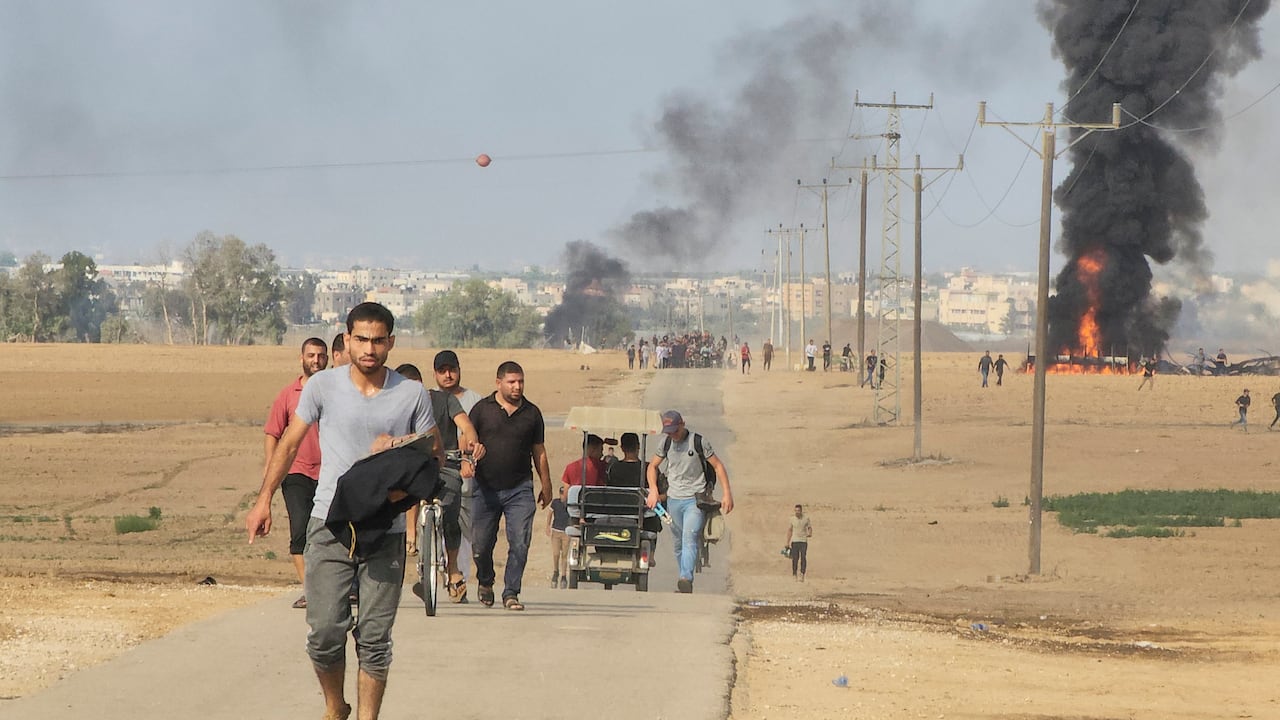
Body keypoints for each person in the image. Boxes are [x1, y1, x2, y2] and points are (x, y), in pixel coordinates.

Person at [246, 302, 441, 720]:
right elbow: (290, 442)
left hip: (384, 530)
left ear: (391, 342)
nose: (370, 349)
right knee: (325, 634)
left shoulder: (411, 394)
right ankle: (336, 708)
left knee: (374, 637)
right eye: (362, 339)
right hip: (330, 524)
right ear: (347, 340)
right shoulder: (323, 387)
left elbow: (433, 456)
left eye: (378, 340)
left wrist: (398, 450)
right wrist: (263, 500)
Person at [396, 362, 485, 605]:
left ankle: (453, 569)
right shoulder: (391, 406)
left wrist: (471, 443)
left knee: (451, 515)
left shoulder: (444, 400)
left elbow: (465, 425)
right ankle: (411, 536)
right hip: (409, 466)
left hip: (445, 466)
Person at [468, 361, 553, 611]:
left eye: (521, 382)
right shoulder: (482, 410)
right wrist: (471, 453)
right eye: (512, 382)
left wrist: (546, 484)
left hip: (520, 488)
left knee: (520, 542)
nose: (517, 387)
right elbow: (468, 439)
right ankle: (485, 580)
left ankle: (511, 592)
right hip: (484, 488)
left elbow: (540, 451)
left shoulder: (532, 413)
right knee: (480, 544)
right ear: (498, 383)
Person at [263, 337, 329, 610]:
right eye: (311, 355)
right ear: (301, 358)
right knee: (300, 530)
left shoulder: (333, 392)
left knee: (329, 532)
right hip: (296, 473)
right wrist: (271, 471)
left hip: (328, 473)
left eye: (321, 356)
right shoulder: (288, 395)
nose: (316, 360)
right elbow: (273, 433)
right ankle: (310, 591)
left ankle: (336, 588)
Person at [645, 410, 734, 594]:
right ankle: (683, 576)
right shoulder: (666, 443)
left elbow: (717, 465)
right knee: (678, 542)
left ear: (682, 424)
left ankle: (686, 577)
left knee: (689, 536)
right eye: (668, 432)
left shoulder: (699, 442)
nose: (672, 435)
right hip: (673, 499)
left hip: (694, 499)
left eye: (674, 431)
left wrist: (727, 493)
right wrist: (653, 490)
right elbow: (652, 466)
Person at [433, 350, 485, 585]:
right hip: (437, 471)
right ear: (435, 374)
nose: (448, 375)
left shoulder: (475, 401)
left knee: (466, 532)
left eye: (452, 370)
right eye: (442, 371)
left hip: (468, 477)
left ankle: (459, 576)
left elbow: (475, 435)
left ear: (459, 370)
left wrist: (469, 458)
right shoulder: (427, 399)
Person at [545, 485, 570, 589]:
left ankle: (564, 576)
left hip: (566, 532)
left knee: (565, 555)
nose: (564, 496)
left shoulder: (570, 504)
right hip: (556, 531)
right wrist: (548, 526)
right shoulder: (555, 502)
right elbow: (550, 513)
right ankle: (556, 572)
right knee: (556, 554)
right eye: (563, 493)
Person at [785, 504, 812, 582]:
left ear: (801, 511)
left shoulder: (806, 518)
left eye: (798, 511)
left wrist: (810, 533)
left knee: (803, 557)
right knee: (795, 558)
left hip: (803, 541)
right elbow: (790, 530)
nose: (797, 512)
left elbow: (809, 527)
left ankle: (802, 574)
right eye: (796, 511)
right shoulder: (792, 519)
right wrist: (787, 542)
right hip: (795, 541)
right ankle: (794, 574)